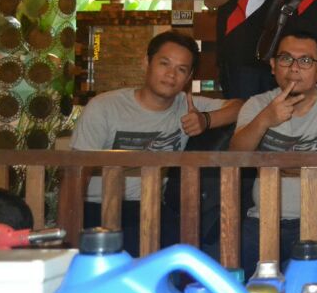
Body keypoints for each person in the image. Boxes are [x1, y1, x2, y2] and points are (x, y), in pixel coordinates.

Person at [72, 31, 241, 256]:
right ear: (146, 63)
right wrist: (70, 223)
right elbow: (77, 171)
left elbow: (241, 107)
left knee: (189, 250)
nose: (171, 74)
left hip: (149, 207)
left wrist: (206, 120)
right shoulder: (104, 107)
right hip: (96, 206)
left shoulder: (186, 105)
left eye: (181, 69)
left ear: (189, 77)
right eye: (164, 64)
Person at [230, 30, 317, 276]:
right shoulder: (257, 105)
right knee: (237, 277)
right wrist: (265, 119)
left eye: (305, 61)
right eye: (286, 59)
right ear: (273, 66)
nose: (294, 68)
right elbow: (234, 158)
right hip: (262, 220)